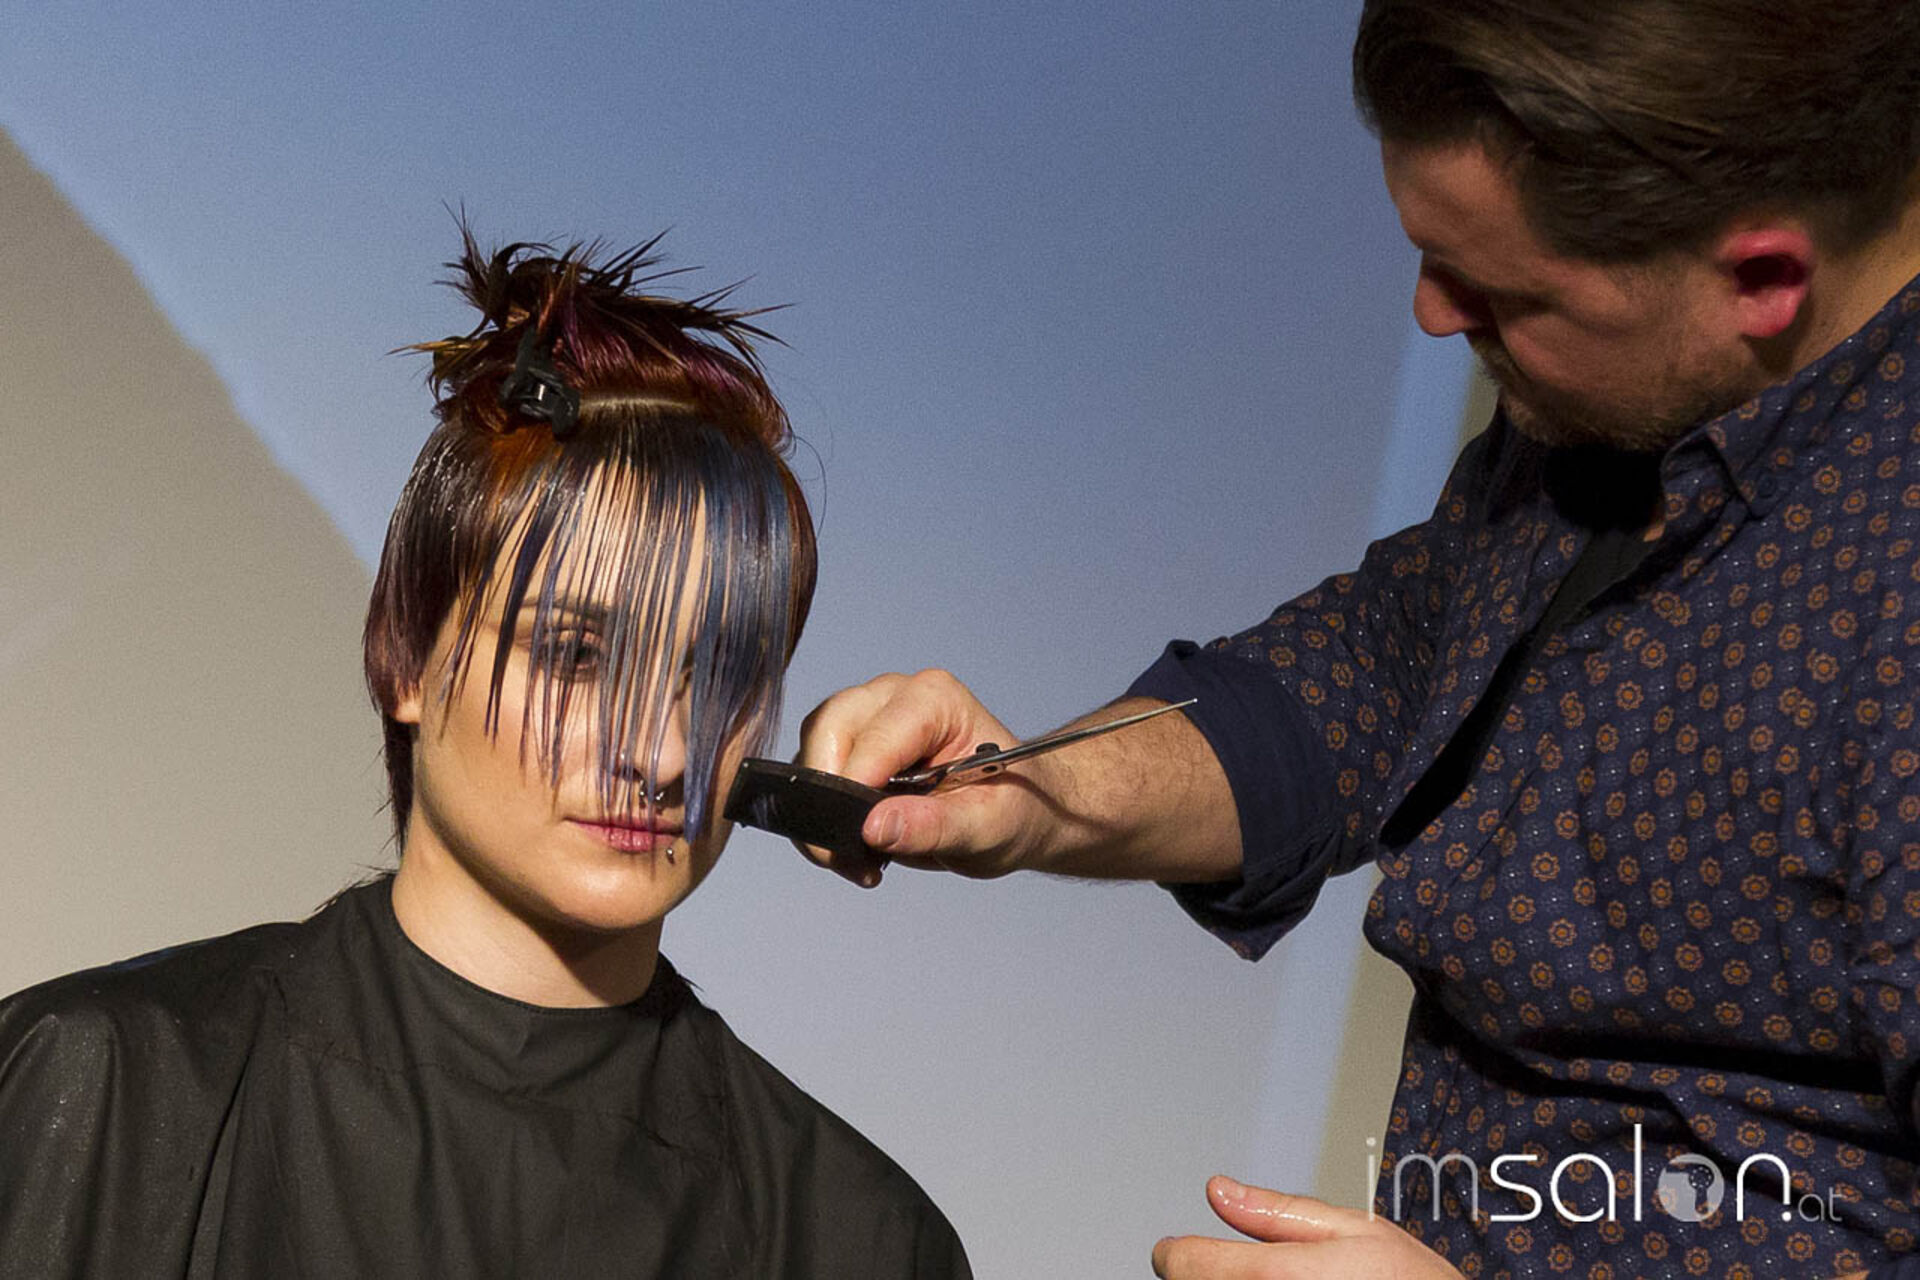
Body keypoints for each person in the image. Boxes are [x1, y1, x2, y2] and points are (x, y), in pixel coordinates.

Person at [796, 2, 1920, 1277]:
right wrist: (1035, 789)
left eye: (1500, 293)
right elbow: (1371, 681)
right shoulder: (1625, 402)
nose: (1434, 313)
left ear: (1761, 281)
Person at [0, 233, 970, 1278]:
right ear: (407, 656)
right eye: (577, 653)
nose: (662, 751)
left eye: (722, 674)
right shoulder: (105, 1087)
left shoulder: (861, 1239)